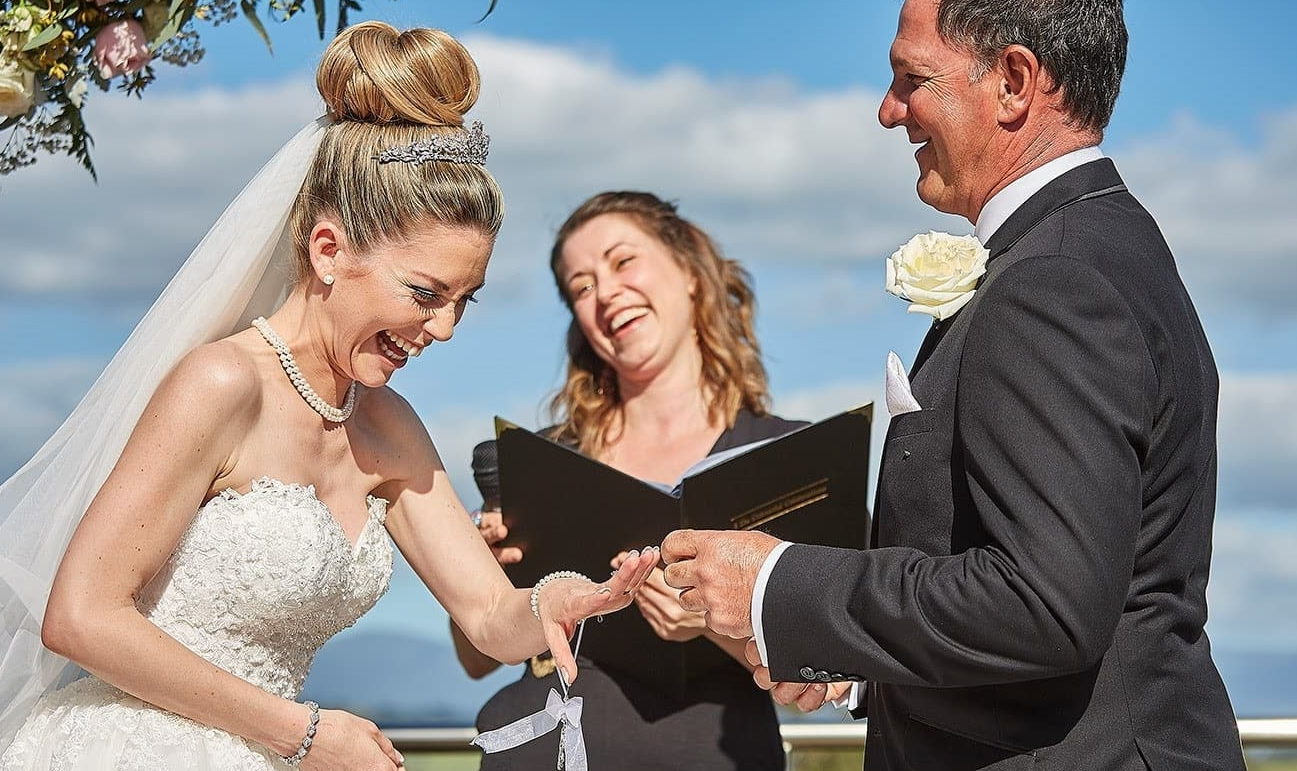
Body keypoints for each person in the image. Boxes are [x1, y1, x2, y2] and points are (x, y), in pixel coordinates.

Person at [0, 22, 658, 771]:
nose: (442, 328)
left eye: (463, 301)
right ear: (327, 250)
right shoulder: (221, 385)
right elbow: (80, 617)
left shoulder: (389, 428)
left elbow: (487, 615)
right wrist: (302, 732)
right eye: (425, 292)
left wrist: (558, 599)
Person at [660, 1, 1248, 769]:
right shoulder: (1093, 244)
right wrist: (863, 666)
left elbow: (1043, 604)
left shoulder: (1055, 278)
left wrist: (774, 584)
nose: (886, 110)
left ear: (1012, 81)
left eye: (911, 78)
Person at [450, 191, 824, 770]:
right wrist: (486, 571)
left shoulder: (789, 455)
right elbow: (477, 659)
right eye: (581, 286)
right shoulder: (545, 461)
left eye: (623, 262)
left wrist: (712, 624)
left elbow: (824, 677)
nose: (605, 293)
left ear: (690, 273)